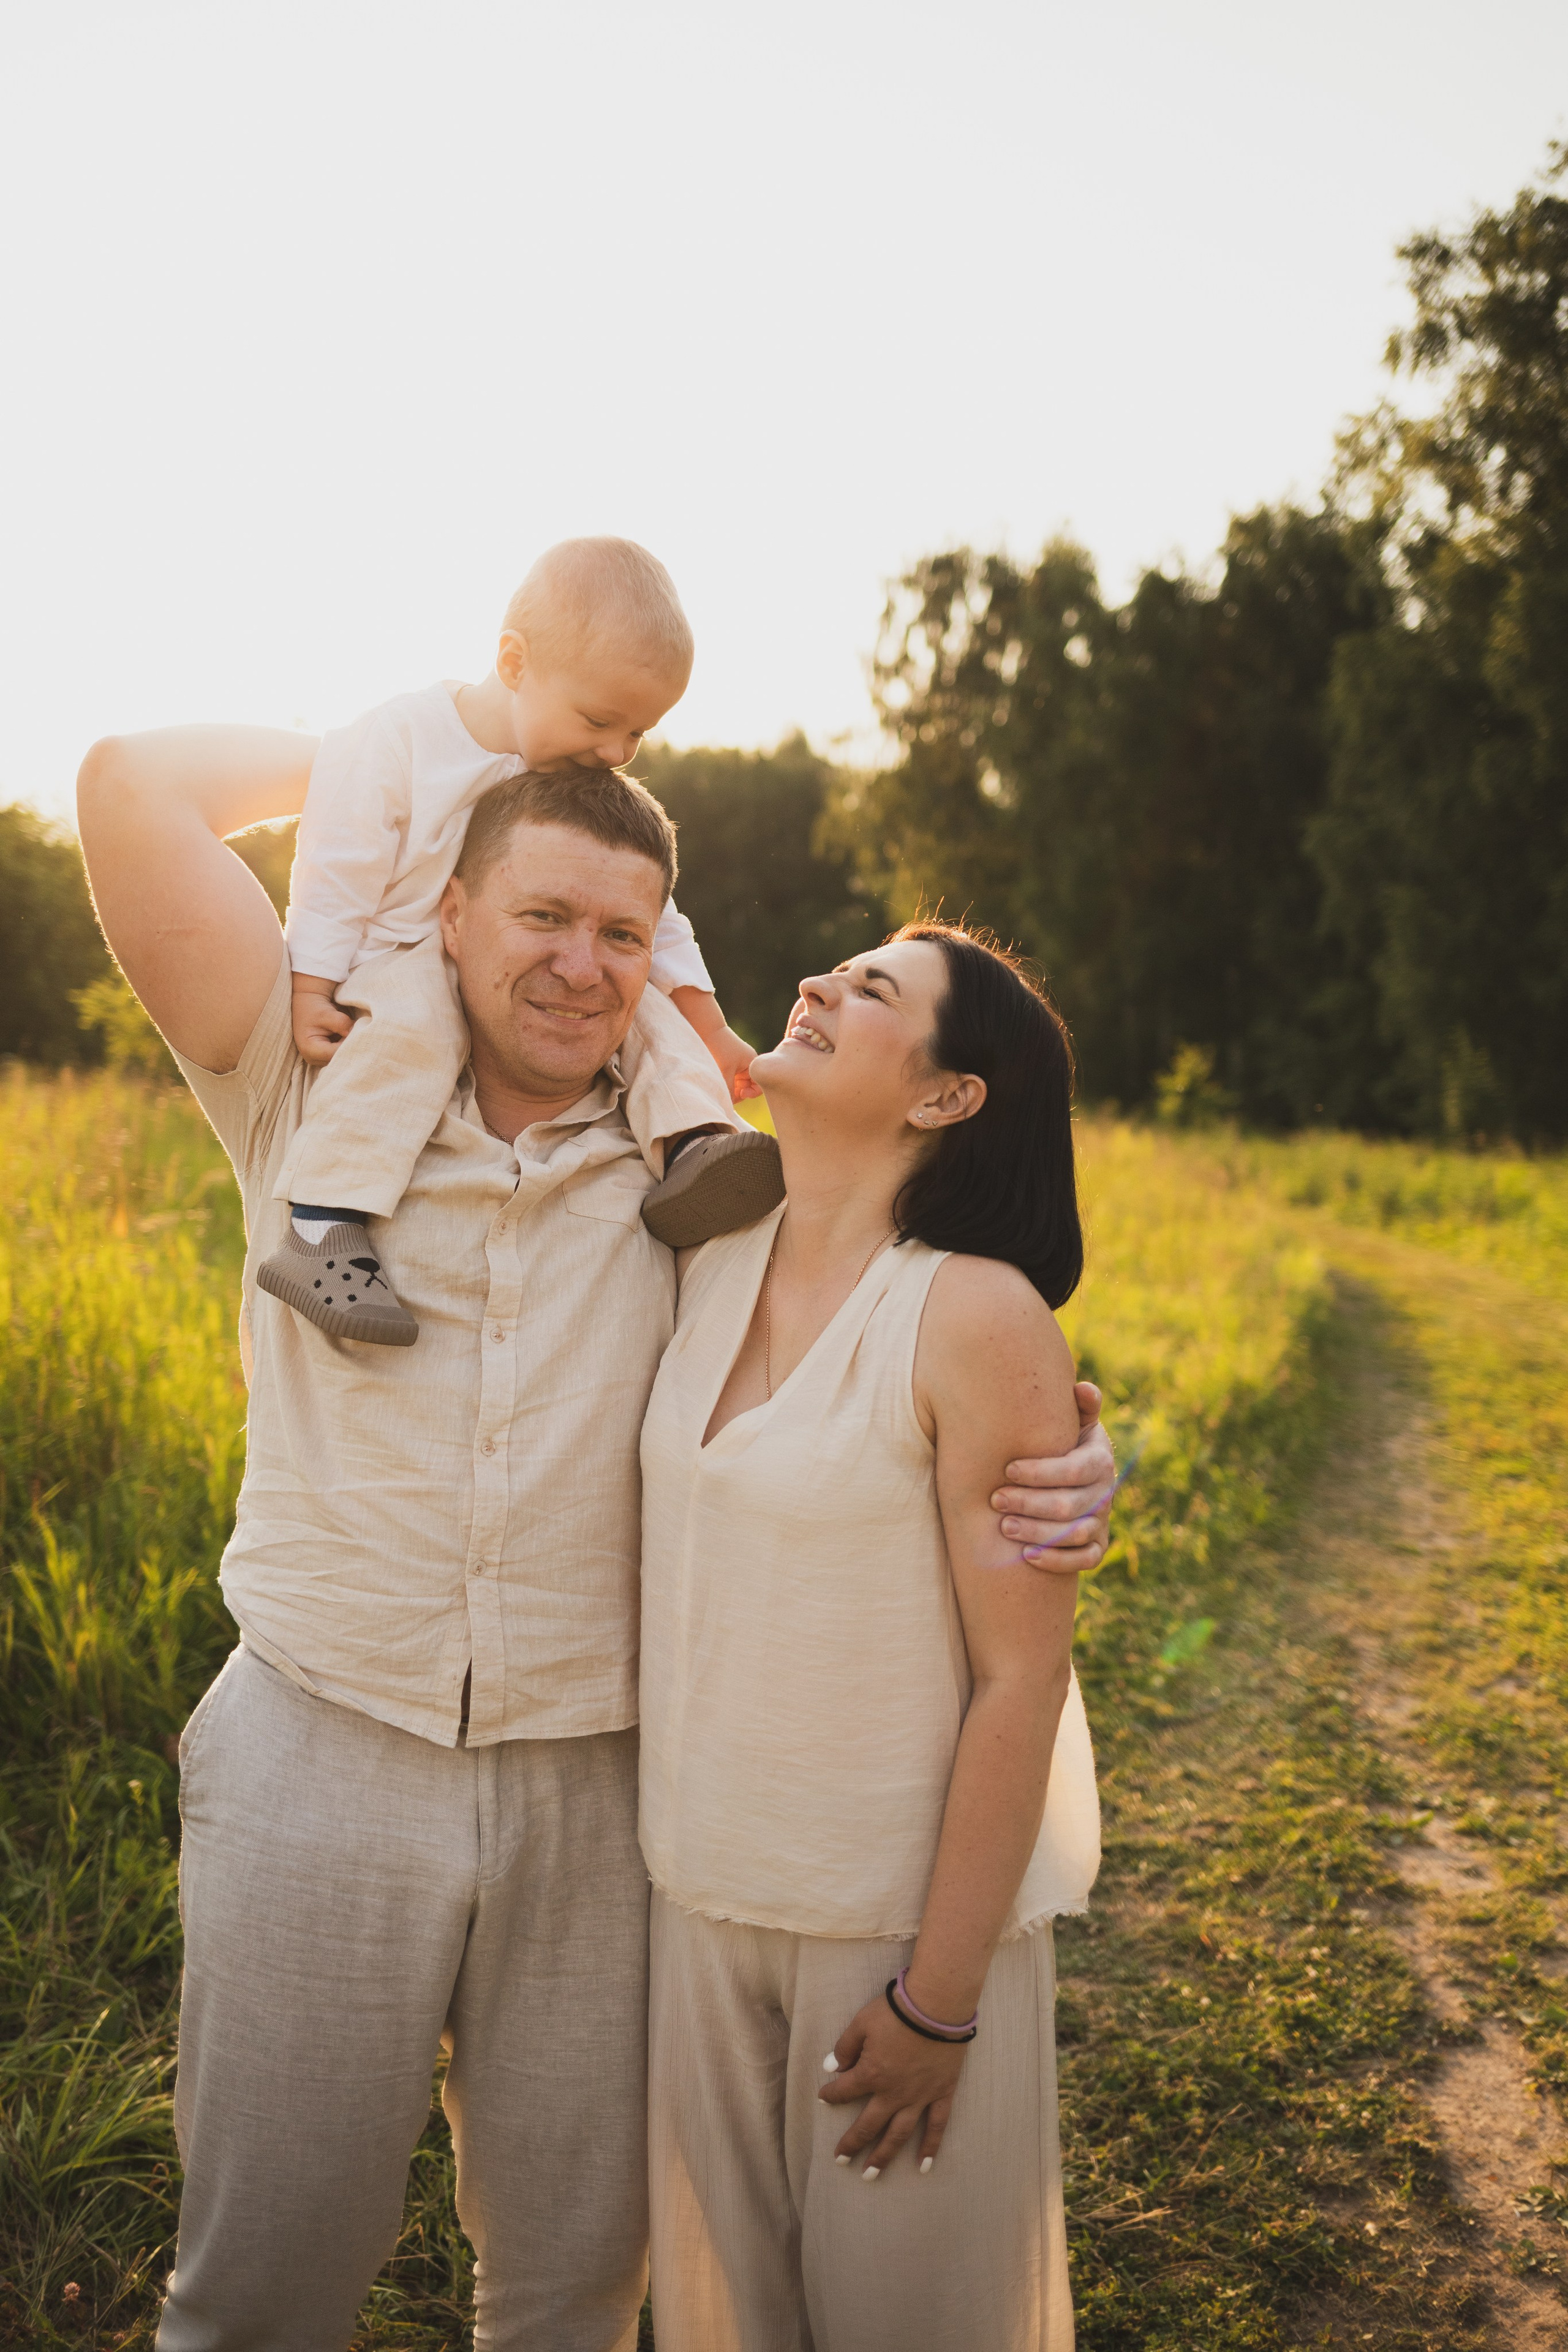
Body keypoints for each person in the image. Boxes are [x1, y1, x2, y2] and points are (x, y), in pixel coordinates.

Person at [76, 728, 1117, 2352]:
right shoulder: (306, 1081)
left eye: (623, 933)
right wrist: (471, 735)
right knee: (258, 2294)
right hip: (321, 1749)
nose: (580, 965)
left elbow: (901, 1330)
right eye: (543, 915)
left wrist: (1068, 1451)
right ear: (450, 913)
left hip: (609, 1799)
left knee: (572, 2298)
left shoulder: (708, 1185)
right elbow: (125, 786)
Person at [639, 922, 1099, 2350]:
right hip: (693, 1905)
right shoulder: (701, 1258)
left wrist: (936, 2003)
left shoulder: (974, 1314)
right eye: (835, 969)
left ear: (946, 1095)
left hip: (892, 1938)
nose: (816, 986)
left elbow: (1021, 1675)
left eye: (871, 990)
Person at [260, 534, 782, 1346]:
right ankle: (324, 1224)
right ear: (514, 663)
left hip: (503, 966)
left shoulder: (563, 775)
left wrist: (708, 1024)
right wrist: (312, 982)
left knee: (640, 1000)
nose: (615, 753)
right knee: (402, 1040)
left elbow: (655, 914)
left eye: (638, 734)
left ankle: (694, 1145)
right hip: (403, 955)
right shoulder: (398, 740)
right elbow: (336, 866)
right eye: (600, 721)